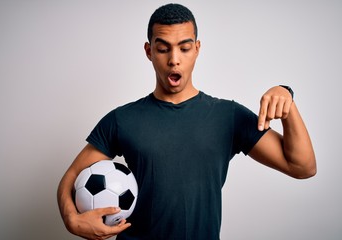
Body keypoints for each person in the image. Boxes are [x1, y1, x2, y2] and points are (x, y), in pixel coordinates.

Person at [57, 3, 316, 240]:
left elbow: (302, 167)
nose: (174, 59)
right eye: (162, 48)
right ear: (149, 51)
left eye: (184, 47)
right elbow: (71, 176)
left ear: (197, 49)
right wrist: (72, 220)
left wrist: (287, 100)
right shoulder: (122, 119)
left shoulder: (229, 116)